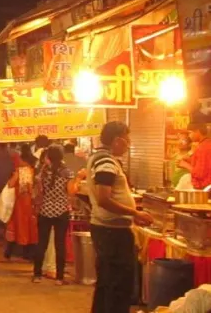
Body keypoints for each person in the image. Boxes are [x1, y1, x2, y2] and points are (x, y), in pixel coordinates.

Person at [80, 120, 153, 313]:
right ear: (117, 140)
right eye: (127, 140)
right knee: (118, 286)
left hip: (107, 230)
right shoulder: (105, 162)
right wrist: (135, 212)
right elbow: (104, 198)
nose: (129, 145)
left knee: (106, 283)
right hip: (112, 233)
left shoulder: (99, 158)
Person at [31, 146, 75, 284]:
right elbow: (71, 191)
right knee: (60, 244)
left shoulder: (43, 172)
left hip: (45, 210)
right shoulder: (67, 172)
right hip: (61, 211)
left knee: (42, 243)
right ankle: (60, 278)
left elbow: (38, 190)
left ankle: (37, 274)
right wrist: (78, 178)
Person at [2, 145, 38, 264]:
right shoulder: (34, 171)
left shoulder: (20, 171)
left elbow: (11, 184)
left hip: (21, 203)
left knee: (17, 226)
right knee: (30, 227)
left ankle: (12, 253)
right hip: (31, 202)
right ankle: (29, 254)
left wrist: (12, 177)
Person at [184, 123, 211, 191]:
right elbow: (206, 166)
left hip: (203, 189)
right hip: (210, 187)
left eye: (190, 133)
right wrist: (189, 160)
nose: (189, 136)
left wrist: (185, 165)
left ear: (198, 131)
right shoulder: (210, 144)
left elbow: (199, 174)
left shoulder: (202, 148)